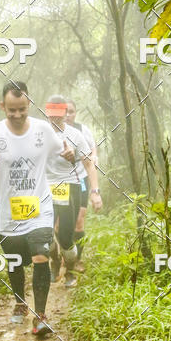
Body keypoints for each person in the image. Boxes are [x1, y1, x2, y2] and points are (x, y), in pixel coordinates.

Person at [0, 81, 75, 337]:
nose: (17, 115)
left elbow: (66, 150)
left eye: (22, 109)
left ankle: (40, 317)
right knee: (15, 261)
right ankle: (20, 302)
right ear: (2, 106)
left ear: (29, 104)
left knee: (39, 255)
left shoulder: (43, 130)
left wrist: (70, 153)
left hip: (39, 209)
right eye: (11, 110)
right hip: (8, 213)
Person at [44, 96, 102, 287]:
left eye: (59, 116)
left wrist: (95, 191)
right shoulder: (38, 133)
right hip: (45, 187)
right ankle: (54, 261)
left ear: (64, 114)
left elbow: (89, 164)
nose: (55, 120)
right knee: (45, 234)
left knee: (66, 236)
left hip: (70, 185)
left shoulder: (76, 135)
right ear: (46, 114)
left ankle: (69, 269)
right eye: (51, 116)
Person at [65, 100, 99, 273]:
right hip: (60, 181)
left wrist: (92, 160)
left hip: (81, 178)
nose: (68, 114)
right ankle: (64, 254)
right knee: (59, 223)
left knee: (79, 219)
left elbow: (93, 149)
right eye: (65, 111)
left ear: (75, 113)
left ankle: (77, 260)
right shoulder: (52, 131)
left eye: (71, 111)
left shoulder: (82, 130)